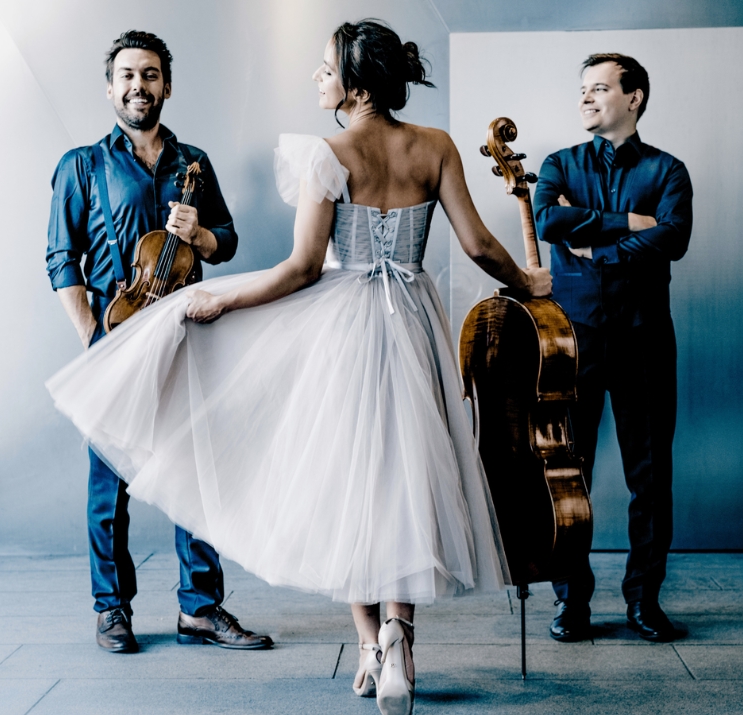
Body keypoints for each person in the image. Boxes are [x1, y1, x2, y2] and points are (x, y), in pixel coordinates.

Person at [47, 20, 549, 715]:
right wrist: (527, 283)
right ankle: (401, 638)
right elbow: (481, 245)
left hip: (342, 330)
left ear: (356, 83)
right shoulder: (435, 148)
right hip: (414, 323)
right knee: (405, 475)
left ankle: (373, 644)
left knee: (347, 482)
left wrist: (222, 302)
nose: (317, 78)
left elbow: (301, 270)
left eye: (325, 69)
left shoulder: (326, 154)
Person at [44, 30, 273, 654]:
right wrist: (94, 336)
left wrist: (199, 236)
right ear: (110, 86)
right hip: (115, 338)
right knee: (108, 484)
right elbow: (62, 260)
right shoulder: (82, 166)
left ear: (166, 85)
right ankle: (111, 609)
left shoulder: (191, 163)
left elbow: (226, 242)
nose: (138, 86)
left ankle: (200, 610)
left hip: (187, 337)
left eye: (149, 75)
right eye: (126, 75)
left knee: (195, 474)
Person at [533, 53, 693, 643]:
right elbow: (548, 219)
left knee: (649, 479)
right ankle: (571, 602)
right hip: (570, 346)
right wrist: (628, 222)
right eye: (582, 89)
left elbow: (673, 237)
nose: (586, 98)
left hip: (646, 341)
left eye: (599, 88)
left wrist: (596, 248)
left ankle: (644, 602)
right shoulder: (558, 164)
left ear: (636, 97)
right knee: (567, 477)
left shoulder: (669, 170)